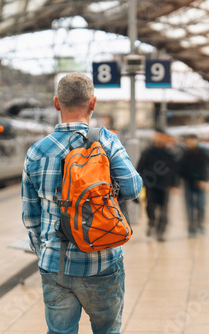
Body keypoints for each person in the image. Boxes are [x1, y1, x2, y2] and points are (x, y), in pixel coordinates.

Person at [21, 73, 142, 334]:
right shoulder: (107, 141)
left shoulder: (36, 152)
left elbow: (30, 216)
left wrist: (44, 252)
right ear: (93, 103)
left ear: (56, 103)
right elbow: (133, 188)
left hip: (54, 264)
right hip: (103, 260)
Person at [137, 128, 178, 242]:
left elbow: (174, 169)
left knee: (164, 210)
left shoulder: (169, 153)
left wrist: (174, 184)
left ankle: (161, 232)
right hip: (151, 185)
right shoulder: (148, 151)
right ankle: (151, 223)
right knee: (150, 207)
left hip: (165, 185)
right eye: (158, 136)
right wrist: (141, 181)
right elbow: (140, 167)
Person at [180, 134, 209, 237]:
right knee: (189, 207)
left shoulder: (202, 153)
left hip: (200, 183)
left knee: (201, 205)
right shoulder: (184, 153)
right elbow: (180, 169)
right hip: (188, 183)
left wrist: (204, 180)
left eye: (192, 140)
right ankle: (191, 228)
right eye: (188, 141)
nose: (190, 143)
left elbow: (206, 167)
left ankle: (200, 225)